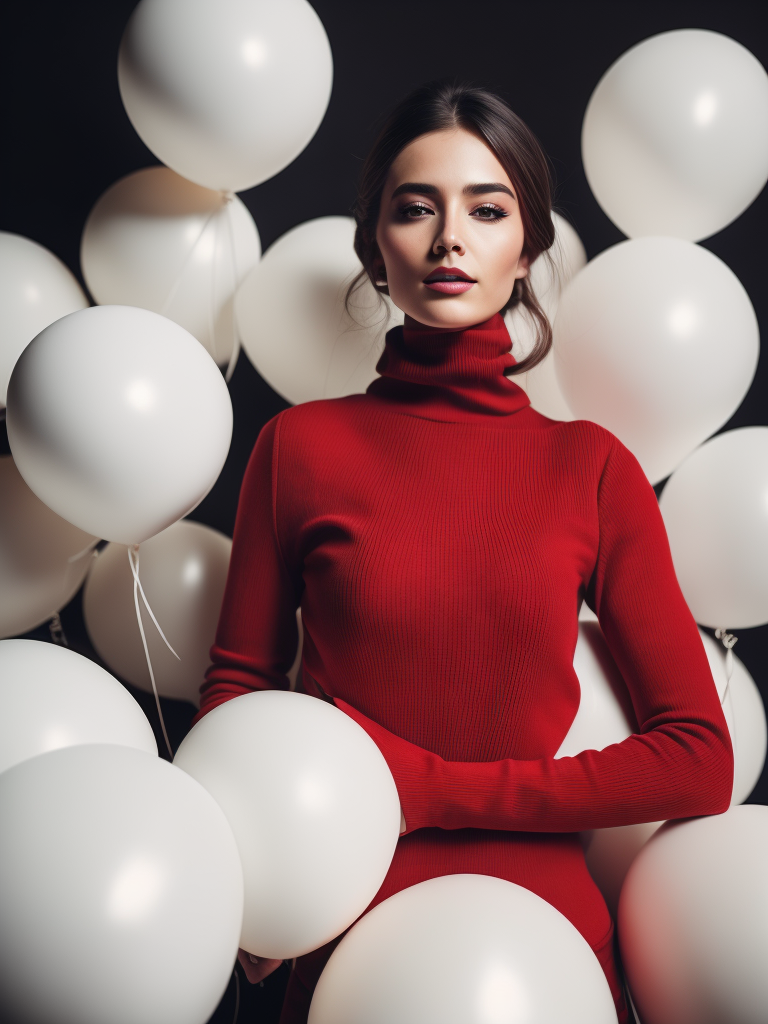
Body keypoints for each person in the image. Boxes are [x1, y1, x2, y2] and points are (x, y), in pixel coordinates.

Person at [195, 81, 733, 1024]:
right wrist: (258, 866)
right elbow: (238, 687)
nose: (450, 239)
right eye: (416, 209)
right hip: (343, 926)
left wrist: (435, 791)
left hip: (546, 950)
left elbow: (697, 759)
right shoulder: (299, 448)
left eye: (487, 210)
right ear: (374, 247)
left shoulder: (591, 467)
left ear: (526, 250)